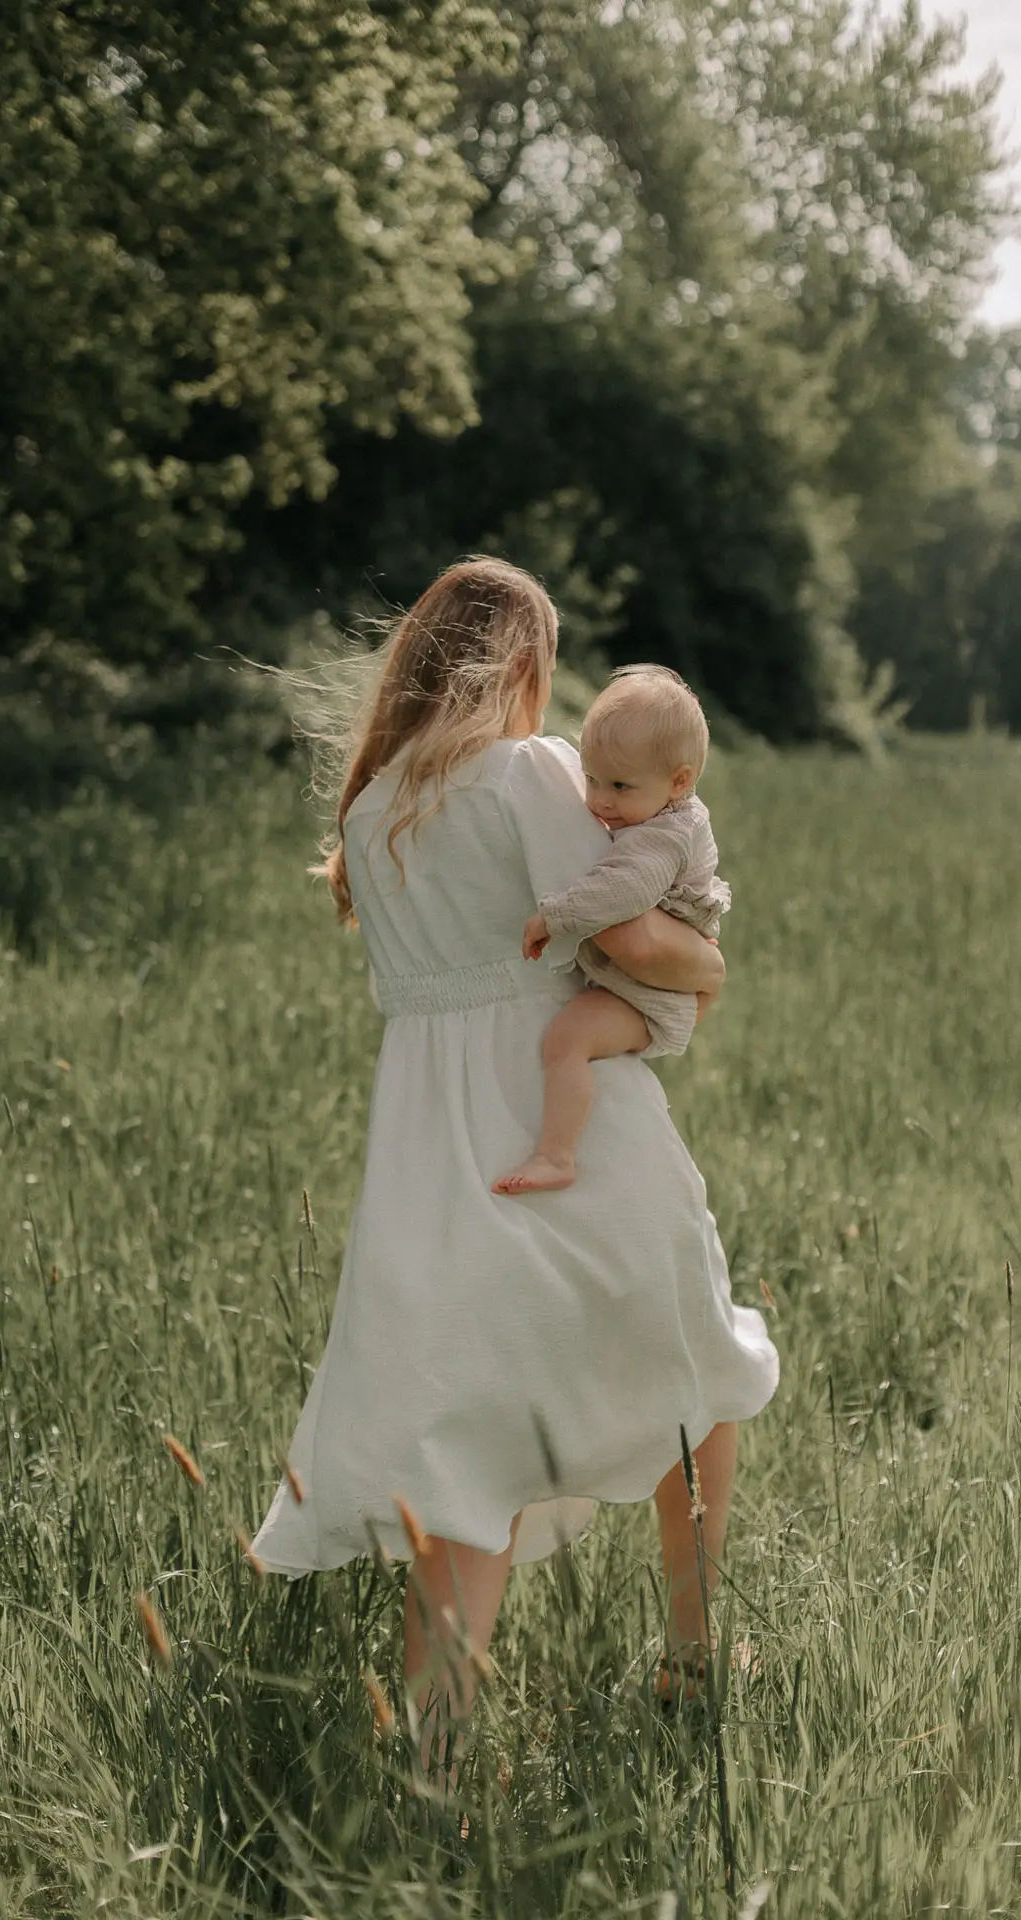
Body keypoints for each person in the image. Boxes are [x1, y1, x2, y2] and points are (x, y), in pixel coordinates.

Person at [249, 556, 778, 1780]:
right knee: (694, 1376)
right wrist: (708, 971)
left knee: (464, 1446)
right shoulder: (531, 773)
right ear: (520, 667)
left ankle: (436, 1752)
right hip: (574, 1135)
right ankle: (691, 1656)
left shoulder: (372, 811)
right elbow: (636, 934)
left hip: (430, 1158)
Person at [494, 663, 730, 1197]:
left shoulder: (664, 838)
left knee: (567, 1040)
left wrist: (554, 915)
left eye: (619, 785)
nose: (599, 800)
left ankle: (556, 1156)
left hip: (650, 997)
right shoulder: (653, 811)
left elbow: (623, 893)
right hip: (651, 983)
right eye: (592, 778)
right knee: (567, 1040)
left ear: (679, 781)